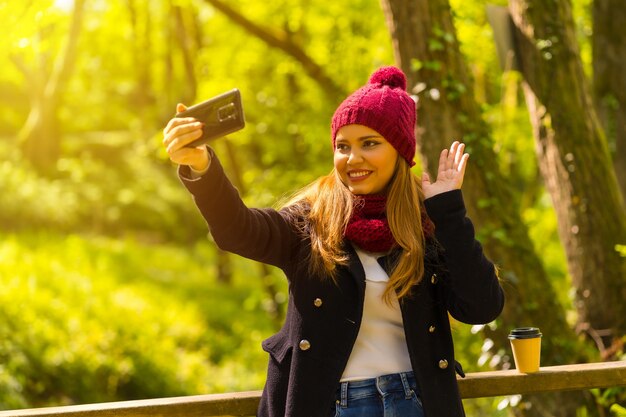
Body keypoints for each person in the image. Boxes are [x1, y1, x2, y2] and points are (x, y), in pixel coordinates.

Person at [162, 66, 504, 417]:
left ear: (399, 151)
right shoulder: (311, 221)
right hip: (331, 405)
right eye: (343, 146)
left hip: (415, 402)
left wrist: (447, 213)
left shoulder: (426, 224)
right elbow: (239, 229)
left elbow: (482, 307)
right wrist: (201, 167)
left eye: (369, 143)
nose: (353, 159)